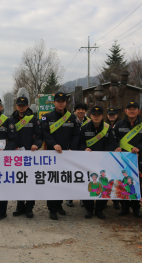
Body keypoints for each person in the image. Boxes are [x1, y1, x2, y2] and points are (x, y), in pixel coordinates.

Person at [41, 92, 80, 220]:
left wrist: (71, 148)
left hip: (66, 155)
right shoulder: (47, 117)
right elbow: (45, 134)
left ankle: (59, 205)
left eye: (63, 101)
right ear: (54, 102)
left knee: (63, 180)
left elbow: (76, 135)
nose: (61, 103)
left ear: (65, 103)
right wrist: (54, 144)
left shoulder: (72, 118)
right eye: (58, 101)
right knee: (52, 181)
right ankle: (52, 208)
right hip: (51, 154)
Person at [79, 106, 119, 219]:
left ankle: (100, 209)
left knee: (104, 184)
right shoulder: (84, 128)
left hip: (104, 162)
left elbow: (112, 143)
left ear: (102, 116)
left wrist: (108, 150)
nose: (96, 117)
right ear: (90, 116)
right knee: (89, 184)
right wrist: (84, 149)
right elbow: (80, 143)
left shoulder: (108, 129)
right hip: (88, 161)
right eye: (94, 115)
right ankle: (89, 209)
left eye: (98, 115)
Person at [114, 101, 142, 218]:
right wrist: (116, 146)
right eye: (129, 109)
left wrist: (139, 148)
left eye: (134, 109)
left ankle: (136, 207)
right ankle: (124, 207)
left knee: (136, 183)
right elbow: (113, 138)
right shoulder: (119, 125)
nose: (132, 111)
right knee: (123, 182)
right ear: (125, 111)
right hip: (122, 159)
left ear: (138, 111)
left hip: (136, 158)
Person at [11, 96, 43, 219]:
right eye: (19, 105)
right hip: (16, 157)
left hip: (31, 155)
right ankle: (19, 207)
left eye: (23, 105)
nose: (21, 107)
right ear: (16, 106)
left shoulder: (34, 119)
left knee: (30, 182)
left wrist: (36, 144)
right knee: (19, 181)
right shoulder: (11, 120)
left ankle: (29, 207)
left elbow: (39, 136)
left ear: (27, 106)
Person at [68, 102, 90, 208]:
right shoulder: (70, 120)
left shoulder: (90, 122)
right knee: (71, 175)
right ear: (75, 111)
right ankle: (70, 198)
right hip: (72, 151)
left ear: (85, 111)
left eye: (83, 109)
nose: (81, 111)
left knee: (84, 176)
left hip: (85, 152)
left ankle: (83, 198)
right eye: (78, 109)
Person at [105, 107, 121, 210]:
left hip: (117, 156)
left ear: (117, 115)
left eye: (113, 114)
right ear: (107, 116)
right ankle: (104, 200)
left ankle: (116, 201)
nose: (112, 116)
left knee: (115, 179)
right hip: (105, 156)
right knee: (105, 179)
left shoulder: (120, 126)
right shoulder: (104, 126)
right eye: (110, 114)